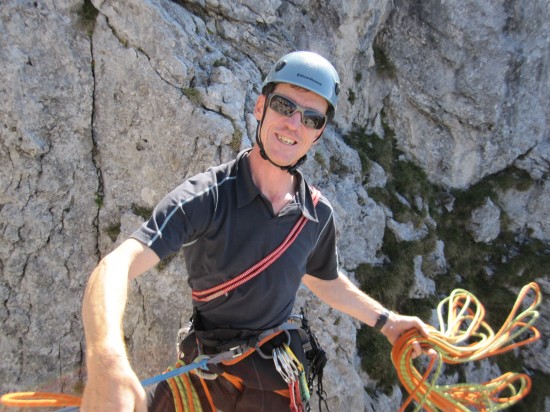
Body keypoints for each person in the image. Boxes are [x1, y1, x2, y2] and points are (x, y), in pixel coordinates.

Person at [81, 51, 432, 412]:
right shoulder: (208, 197)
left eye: (311, 118)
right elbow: (117, 266)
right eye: (284, 106)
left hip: (275, 381)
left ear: (319, 132)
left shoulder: (316, 214)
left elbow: (324, 279)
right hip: (209, 373)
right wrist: (107, 359)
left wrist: (388, 323)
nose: (295, 124)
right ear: (261, 106)